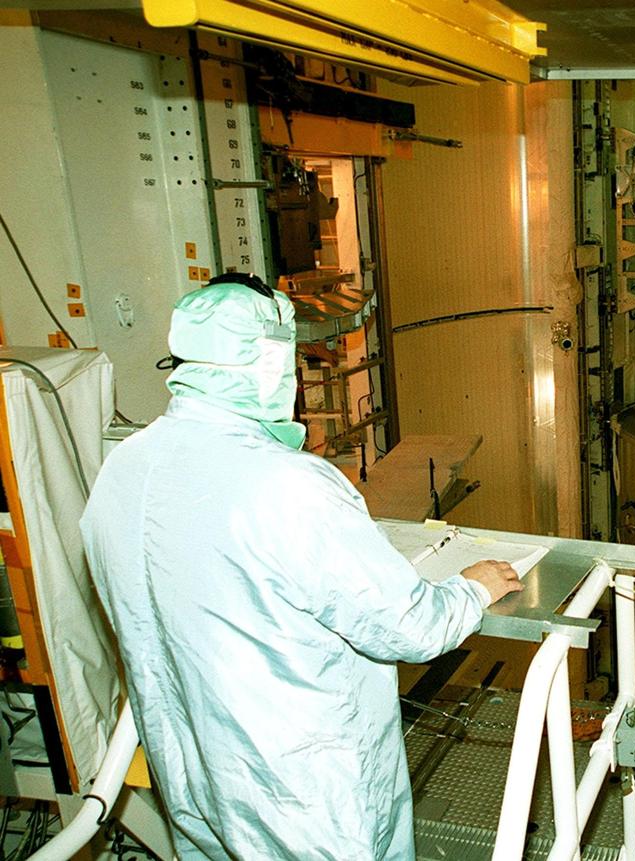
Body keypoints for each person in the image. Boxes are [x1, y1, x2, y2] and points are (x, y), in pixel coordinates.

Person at [80, 275, 522, 860]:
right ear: (269, 366)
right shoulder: (290, 486)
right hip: (300, 800)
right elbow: (408, 627)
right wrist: (471, 589)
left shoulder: (122, 470)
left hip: (191, 778)